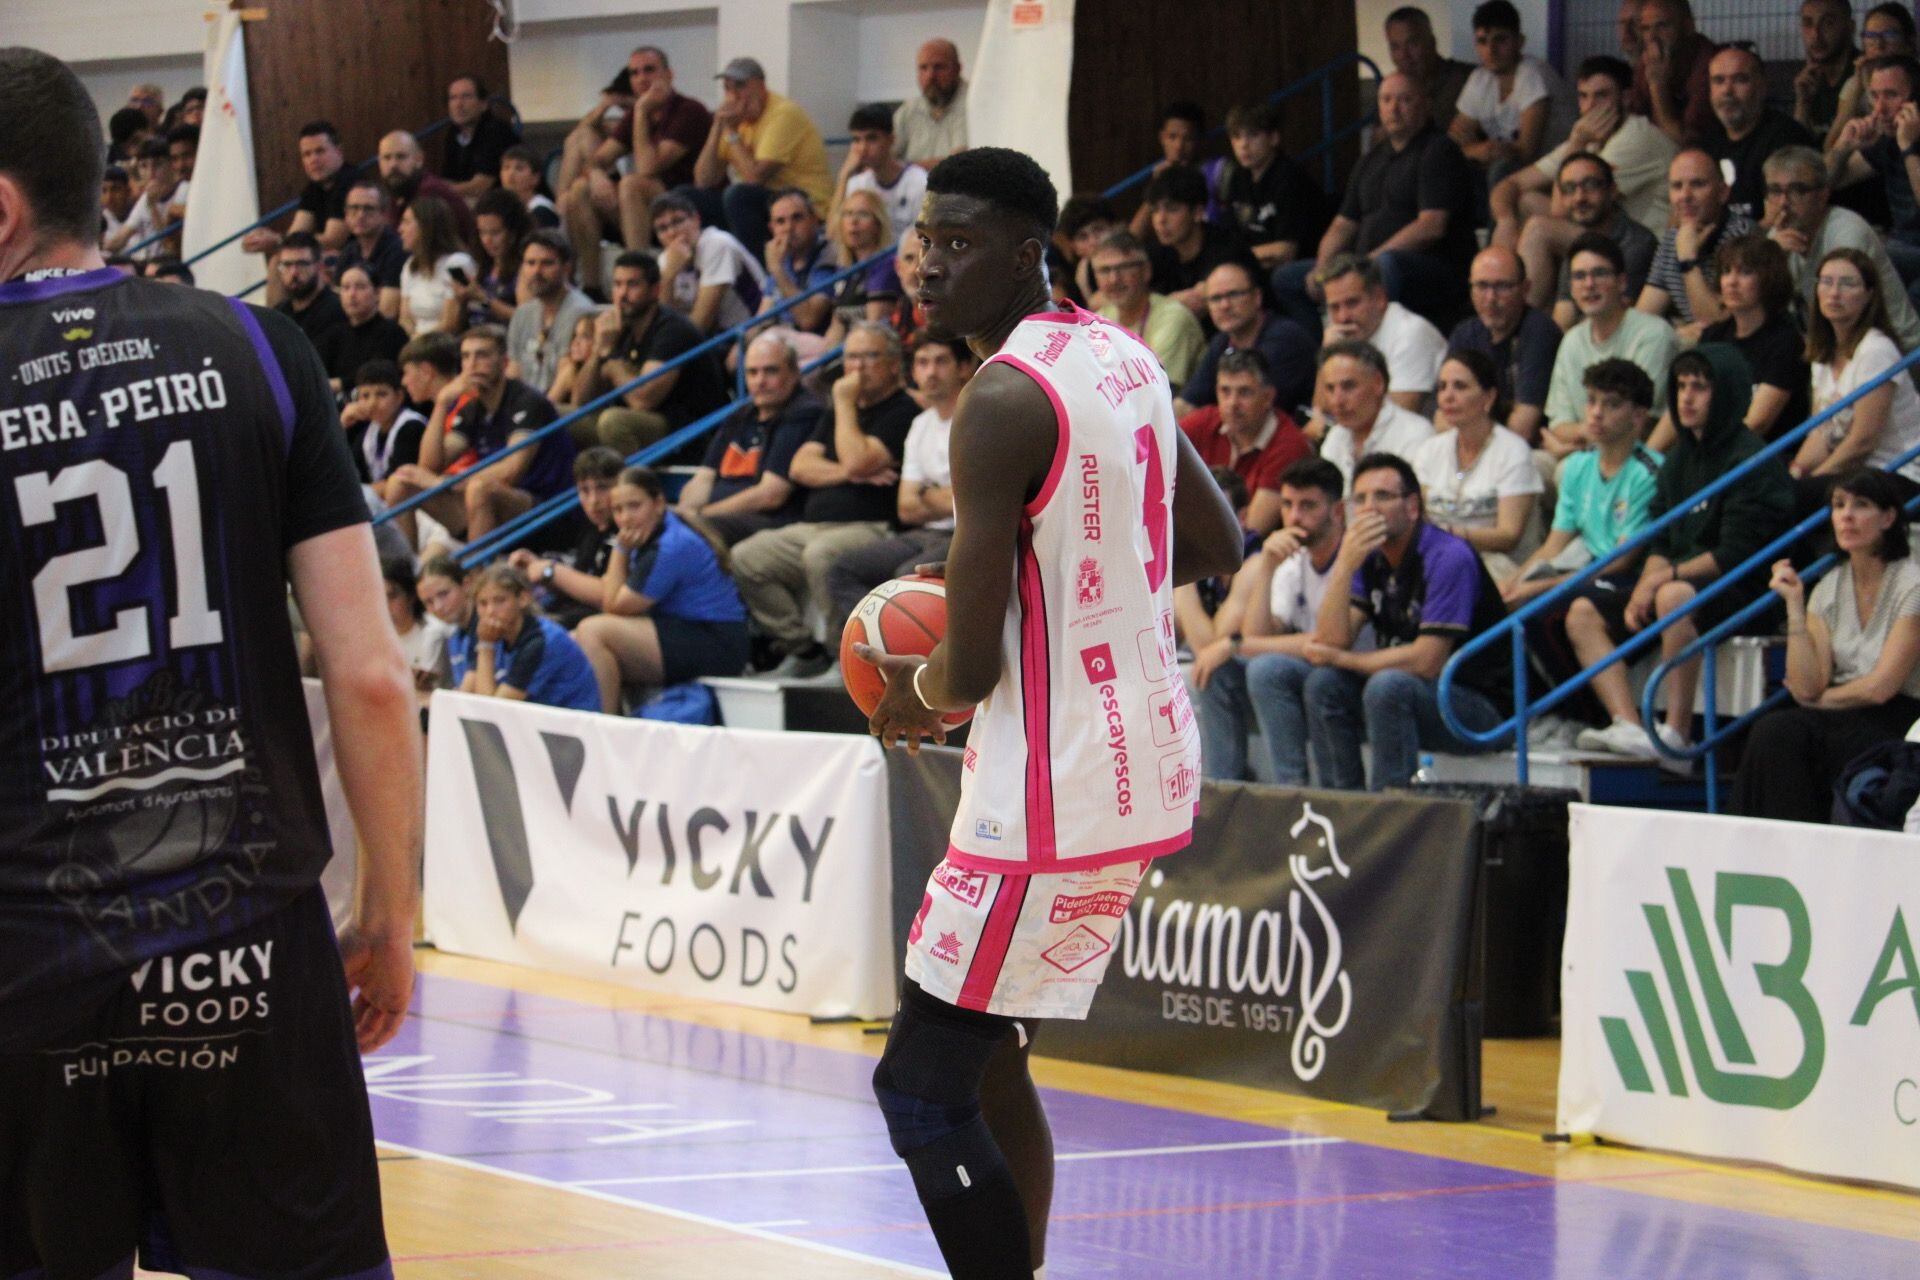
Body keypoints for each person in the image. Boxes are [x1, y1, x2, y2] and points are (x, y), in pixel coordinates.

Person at [0, 46, 416, 1276]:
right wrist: (388, 909)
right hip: (246, 945)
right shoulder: (261, 344)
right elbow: (373, 674)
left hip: (23, 951)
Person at [855, 147, 1241, 1280]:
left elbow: (965, 674)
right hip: (1146, 760)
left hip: (1046, 793)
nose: (927, 262)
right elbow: (1212, 542)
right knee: (991, 1059)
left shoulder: (1003, 398)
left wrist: (901, 697)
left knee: (919, 1089)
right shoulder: (1119, 356)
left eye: (960, 242)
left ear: (1030, 252)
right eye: (924, 236)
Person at [1573, 346, 1795, 758]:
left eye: (1700, 387)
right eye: (1680, 387)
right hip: (1678, 581)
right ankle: (1629, 724)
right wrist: (1645, 583)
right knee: (1583, 612)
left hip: (1742, 587)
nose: (1686, 398)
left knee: (1671, 596)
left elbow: (1736, 554)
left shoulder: (1752, 460)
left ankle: (1676, 735)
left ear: (1725, 392)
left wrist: (1660, 579)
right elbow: (1662, 536)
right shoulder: (1679, 458)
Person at [1305, 452, 1512, 789]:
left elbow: (1427, 661)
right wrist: (1343, 564)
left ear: (1412, 507)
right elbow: (1330, 641)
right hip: (1418, 693)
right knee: (1323, 684)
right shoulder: (1367, 557)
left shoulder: (1449, 556)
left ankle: (1390, 817)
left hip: (1481, 708)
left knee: (1387, 687)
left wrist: (1345, 659)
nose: (1369, 508)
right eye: (1360, 499)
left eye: (1383, 496)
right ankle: (1342, 809)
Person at [732, 321, 919, 678]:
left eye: (869, 356)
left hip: (873, 527)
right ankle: (802, 648)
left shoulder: (903, 411)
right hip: (814, 524)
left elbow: (855, 458)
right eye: (850, 358)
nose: (857, 367)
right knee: (748, 557)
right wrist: (852, 470)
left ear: (895, 363)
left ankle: (842, 659)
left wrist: (845, 404)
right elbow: (799, 467)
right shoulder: (836, 412)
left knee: (821, 556)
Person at [1732, 468, 1920, 823]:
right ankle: (1773, 845)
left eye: (1860, 505)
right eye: (1838, 505)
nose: (1846, 515)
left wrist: (1818, 702)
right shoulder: (1827, 587)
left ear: (1889, 517)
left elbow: (1882, 687)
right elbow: (1806, 683)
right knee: (1772, 730)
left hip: (1899, 717)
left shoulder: (1913, 585)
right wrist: (1794, 605)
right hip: (1844, 712)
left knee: (1784, 732)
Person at [1192, 458, 1356, 783]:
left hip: (1350, 670)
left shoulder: (1354, 555)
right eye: (1287, 505)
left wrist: (1233, 643)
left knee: (1268, 670)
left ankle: (1289, 789)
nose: (1294, 517)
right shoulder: (1293, 560)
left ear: (1337, 511)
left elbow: (1326, 641)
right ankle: (1226, 788)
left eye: (1307, 505)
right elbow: (1259, 634)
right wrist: (1267, 565)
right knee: (1219, 671)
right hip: (1309, 667)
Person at [1274, 73, 1476, 335]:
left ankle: (1373, 348)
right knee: (1287, 279)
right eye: (1386, 100)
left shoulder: (1439, 151)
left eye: (1404, 100)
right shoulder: (1370, 160)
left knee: (1387, 267)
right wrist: (1323, 267)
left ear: (1425, 104)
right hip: (1369, 262)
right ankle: (1320, 354)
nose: (1394, 108)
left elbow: (1431, 227)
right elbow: (1342, 225)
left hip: (1429, 267)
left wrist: (1369, 263)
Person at [822, 337, 975, 627]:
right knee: (842, 569)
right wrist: (942, 497)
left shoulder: (976, 417)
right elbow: (906, 507)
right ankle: (868, 649)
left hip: (965, 533)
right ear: (912, 372)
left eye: (941, 361)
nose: (930, 372)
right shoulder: (921, 424)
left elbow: (973, 502)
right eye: (922, 363)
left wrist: (927, 495)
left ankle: (913, 657)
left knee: (907, 576)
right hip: (923, 531)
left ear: (964, 368)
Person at [573, 466, 751, 709]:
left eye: (634, 506)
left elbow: (614, 605)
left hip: (716, 641)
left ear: (658, 503)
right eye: (618, 510)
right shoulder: (653, 533)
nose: (625, 518)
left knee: (593, 631)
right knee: (573, 640)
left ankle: (605, 726)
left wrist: (620, 550)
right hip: (682, 628)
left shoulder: (670, 546)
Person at [385, 325, 574, 544]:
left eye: (482, 355)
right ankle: (405, 572)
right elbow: (430, 465)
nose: (472, 364)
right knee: (402, 481)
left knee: (479, 488)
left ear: (504, 363)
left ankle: (477, 574)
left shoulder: (528, 402)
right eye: (466, 357)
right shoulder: (473, 407)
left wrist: (442, 483)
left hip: (548, 510)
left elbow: (511, 471)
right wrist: (442, 404)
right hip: (494, 505)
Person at [1502, 358, 1664, 608]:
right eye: (1591, 401)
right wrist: (1513, 583)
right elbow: (1553, 545)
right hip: (1584, 568)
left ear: (1639, 416)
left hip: (1626, 580)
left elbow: (1620, 561)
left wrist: (1539, 588)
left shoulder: (1648, 473)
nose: (1596, 413)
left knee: (1550, 605)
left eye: (1612, 404)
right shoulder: (1577, 466)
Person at [561, 47, 711, 287]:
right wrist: (597, 174)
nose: (642, 78)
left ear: (669, 75)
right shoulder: (634, 116)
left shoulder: (688, 110)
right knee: (581, 188)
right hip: (646, 210)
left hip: (688, 204)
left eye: (649, 70)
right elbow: (597, 160)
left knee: (632, 183)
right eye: (635, 73)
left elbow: (647, 168)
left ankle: (639, 275)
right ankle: (591, 287)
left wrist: (641, 110)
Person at [1492, 55, 1676, 247]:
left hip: (1647, 248)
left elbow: (1561, 211)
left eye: (1601, 96)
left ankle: (1515, 277)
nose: (1589, 106)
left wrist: (1577, 143)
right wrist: (1506, 221)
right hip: (1610, 236)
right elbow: (1509, 184)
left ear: (1625, 98)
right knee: (1525, 202)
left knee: (1539, 230)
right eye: (1583, 96)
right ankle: (1498, 273)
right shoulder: (1589, 136)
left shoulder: (1636, 137)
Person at [1790, 246, 1920, 498]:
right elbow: (1823, 434)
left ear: (1869, 295)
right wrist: (1796, 472)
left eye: (1847, 284)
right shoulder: (1822, 356)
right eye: (1826, 282)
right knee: (1771, 488)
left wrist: (1812, 482)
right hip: (1857, 474)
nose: (1834, 293)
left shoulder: (1876, 350)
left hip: (1900, 472)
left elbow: (1863, 441)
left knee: (1796, 499)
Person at [1764, 144, 1920, 349]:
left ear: (1823, 194)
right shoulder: (1778, 237)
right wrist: (1772, 259)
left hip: (1894, 353)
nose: (1784, 202)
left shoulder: (1847, 233)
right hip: (1834, 349)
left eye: (1798, 190)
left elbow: (1847, 318)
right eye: (1776, 191)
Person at [574, 249, 728, 455]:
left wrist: (611, 361)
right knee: (555, 416)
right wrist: (598, 351)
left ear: (655, 290)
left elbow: (642, 400)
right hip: (643, 419)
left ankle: (632, 485)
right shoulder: (618, 328)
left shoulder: (672, 329)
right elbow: (581, 401)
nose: (622, 294)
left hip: (686, 429)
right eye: (617, 284)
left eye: (632, 284)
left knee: (613, 421)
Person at [1542, 232, 1680, 461]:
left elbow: (1639, 422)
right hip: (1585, 453)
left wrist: (1577, 441)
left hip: (1639, 455)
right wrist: (1585, 436)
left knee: (1566, 470)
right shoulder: (1571, 341)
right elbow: (1558, 424)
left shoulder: (1653, 334)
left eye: (1599, 273)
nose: (1589, 284)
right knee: (1536, 464)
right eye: (1579, 276)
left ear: (1622, 282)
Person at [678, 333, 822, 544]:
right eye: (752, 373)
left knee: (691, 534)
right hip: (721, 516)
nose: (760, 381)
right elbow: (704, 477)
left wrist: (702, 516)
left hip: (771, 520)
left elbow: (771, 495)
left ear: (794, 373)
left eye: (770, 371)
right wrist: (685, 513)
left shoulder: (804, 412)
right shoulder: (741, 414)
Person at [1411, 348, 1544, 578]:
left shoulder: (1513, 451)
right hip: (1438, 555)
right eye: (1442, 387)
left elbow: (1508, 536)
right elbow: (1416, 514)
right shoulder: (1430, 450)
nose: (1447, 396)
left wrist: (1448, 534)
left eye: (1460, 386)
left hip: (1498, 567)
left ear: (1489, 397)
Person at [689, 57, 833, 262]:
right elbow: (703, 180)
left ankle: (758, 271)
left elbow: (755, 177)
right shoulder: (736, 121)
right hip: (765, 205)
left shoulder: (783, 113)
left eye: (740, 86)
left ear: (760, 85)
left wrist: (730, 131)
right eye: (727, 89)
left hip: (804, 204)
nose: (733, 95)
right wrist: (717, 127)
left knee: (739, 195)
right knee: (687, 196)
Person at [1686, 233, 1809, 443]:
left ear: (1769, 279)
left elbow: (1756, 424)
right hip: (1710, 448)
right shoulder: (1713, 335)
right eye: (1726, 272)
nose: (1731, 282)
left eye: (1745, 272)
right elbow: (1685, 405)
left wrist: (1703, 458)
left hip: (1760, 459)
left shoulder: (1785, 342)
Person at [1179, 350, 1312, 536]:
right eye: (1225, 391)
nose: (1232, 403)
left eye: (1245, 392)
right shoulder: (1203, 422)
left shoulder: (1288, 445)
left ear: (1267, 397)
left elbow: (1247, 531)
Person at [1519, 151, 1657, 326]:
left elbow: (1614, 319)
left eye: (1590, 185)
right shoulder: (1581, 245)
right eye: (1570, 189)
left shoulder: (1637, 243)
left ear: (1612, 190)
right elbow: (1564, 316)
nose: (1579, 197)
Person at [1449, 0, 1574, 182]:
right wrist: (1479, 150)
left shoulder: (1533, 74)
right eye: (1482, 41)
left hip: (1555, 169)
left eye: (1500, 39)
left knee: (1501, 168)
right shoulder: (1479, 78)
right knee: (1446, 162)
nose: (1491, 50)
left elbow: (1526, 152)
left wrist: (1476, 149)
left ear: (1519, 41)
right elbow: (1453, 140)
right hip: (1505, 166)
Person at [1449, 245, 1563, 443]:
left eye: (1502, 286)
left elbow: (1523, 428)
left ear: (1525, 289)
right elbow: (1442, 418)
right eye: (1482, 286)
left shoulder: (1539, 332)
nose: (1491, 298)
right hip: (1474, 445)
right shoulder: (1464, 334)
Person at [1827, 53, 1920, 295]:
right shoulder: (1886, 138)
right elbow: (1824, 184)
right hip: (1902, 246)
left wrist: (1909, 148)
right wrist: (1844, 147)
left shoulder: (1904, 138)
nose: (1879, 109)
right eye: (1875, 96)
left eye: (1891, 95)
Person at [1635, 148, 1751, 341]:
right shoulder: (1673, 239)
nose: (1685, 196)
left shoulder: (1742, 238)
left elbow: (1721, 326)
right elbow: (1640, 322)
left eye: (1697, 184)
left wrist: (1688, 261)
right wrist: (1675, 334)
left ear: (1722, 193)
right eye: (1677, 186)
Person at [1174, 260, 1315, 418]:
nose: (1224, 305)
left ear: (1257, 297)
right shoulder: (1221, 342)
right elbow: (1187, 403)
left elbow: (1253, 411)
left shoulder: (1286, 338)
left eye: (1233, 294)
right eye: (1215, 298)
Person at [509, 446, 625, 630]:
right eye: (585, 490)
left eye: (602, 488)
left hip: (603, 622)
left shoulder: (627, 531)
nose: (594, 500)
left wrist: (551, 571)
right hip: (575, 613)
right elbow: (577, 588)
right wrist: (536, 568)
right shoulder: (590, 528)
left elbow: (607, 595)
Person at [1698, 45, 1815, 229]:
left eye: (1740, 80)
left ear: (1762, 86)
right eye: (1719, 81)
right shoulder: (1705, 145)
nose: (1727, 91)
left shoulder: (1786, 138)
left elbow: (1783, 220)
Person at [1317, 252, 1447, 412]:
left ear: (1379, 298)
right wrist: (1328, 355)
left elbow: (1401, 414)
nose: (1343, 317)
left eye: (1352, 303)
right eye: (1334, 308)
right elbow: (1321, 410)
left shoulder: (1410, 333)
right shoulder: (1343, 336)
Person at [463, 564, 602, 712]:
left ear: (523, 599)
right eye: (483, 604)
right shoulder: (489, 631)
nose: (490, 611)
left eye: (500, 601)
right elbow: (468, 692)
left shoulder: (540, 641)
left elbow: (492, 711)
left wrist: (486, 647)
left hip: (573, 725)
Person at [1141, 165, 1261, 324]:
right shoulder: (1157, 251)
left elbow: (1196, 304)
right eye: (1155, 210)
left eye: (1172, 209)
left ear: (1197, 212)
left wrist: (1145, 305)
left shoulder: (1226, 247)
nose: (1160, 220)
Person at [1218, 102, 1328, 269]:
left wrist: (1235, 257)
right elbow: (1229, 237)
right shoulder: (1237, 177)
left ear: (1274, 138)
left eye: (1253, 135)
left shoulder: (1290, 179)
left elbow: (1285, 251)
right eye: (1236, 137)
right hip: (1251, 266)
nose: (1243, 145)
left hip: (1300, 266)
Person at [1314, 339, 1436, 487]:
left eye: (1348, 386)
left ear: (1378, 383)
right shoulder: (1335, 437)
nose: (1337, 401)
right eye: (1330, 389)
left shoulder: (1415, 435)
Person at [1091, 230, 1204, 387]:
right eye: (1104, 270)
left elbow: (1157, 388)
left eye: (1124, 267)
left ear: (1146, 271)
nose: (1113, 279)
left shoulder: (1173, 317)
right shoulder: (1096, 322)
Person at [241, 121, 350, 271]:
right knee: (278, 262)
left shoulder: (350, 183)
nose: (313, 160)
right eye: (307, 154)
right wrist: (263, 238)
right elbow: (297, 234)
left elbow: (332, 240)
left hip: (351, 260)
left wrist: (277, 240)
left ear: (338, 152)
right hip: (327, 259)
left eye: (320, 151)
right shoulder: (313, 188)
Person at [505, 228, 597, 394]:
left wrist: (538, 415)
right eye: (530, 263)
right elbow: (514, 371)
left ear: (567, 268)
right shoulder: (522, 314)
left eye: (547, 263)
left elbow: (567, 377)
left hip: (558, 410)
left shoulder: (581, 312)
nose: (536, 272)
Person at [1825, 3, 1917, 151]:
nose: (1879, 45)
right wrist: (1858, 87)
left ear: (1909, 42)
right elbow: (1831, 147)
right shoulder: (1854, 83)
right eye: (1871, 36)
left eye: (1890, 35)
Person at [833, 103, 928, 241]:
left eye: (871, 138)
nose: (863, 148)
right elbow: (834, 236)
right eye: (857, 140)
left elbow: (925, 240)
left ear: (891, 140)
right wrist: (844, 176)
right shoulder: (857, 184)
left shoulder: (919, 183)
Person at [1629, 0, 1715, 145]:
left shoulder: (1708, 63)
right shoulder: (1648, 60)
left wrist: (1657, 85)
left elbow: (1682, 141)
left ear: (1688, 27)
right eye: (1645, 28)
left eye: (1662, 26)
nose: (1652, 37)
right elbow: (1634, 122)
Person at [757, 188, 838, 344]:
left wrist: (777, 270)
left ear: (814, 219)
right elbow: (762, 319)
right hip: (779, 341)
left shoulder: (828, 254)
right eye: (780, 222)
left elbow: (808, 320)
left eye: (797, 218)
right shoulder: (781, 258)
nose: (789, 227)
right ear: (772, 229)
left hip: (814, 346)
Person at [378, 129, 477, 247]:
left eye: (401, 157)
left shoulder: (430, 192)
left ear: (419, 160)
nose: (393, 164)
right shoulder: (397, 191)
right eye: (387, 158)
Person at [340, 358, 427, 491]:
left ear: (399, 396)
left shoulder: (411, 426)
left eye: (381, 394)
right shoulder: (368, 431)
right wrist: (342, 426)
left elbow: (397, 484)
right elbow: (345, 473)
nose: (372, 403)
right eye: (365, 396)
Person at [396, 196, 475, 337]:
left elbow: (451, 324)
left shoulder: (458, 263)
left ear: (426, 226)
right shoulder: (410, 266)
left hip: (445, 344)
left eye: (406, 222)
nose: (400, 229)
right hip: (415, 343)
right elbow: (405, 319)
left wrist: (418, 343)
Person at [1385, 5, 1476, 126]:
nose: (1404, 55)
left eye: (1412, 43)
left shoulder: (1468, 80)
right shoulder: (1391, 89)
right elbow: (1376, 140)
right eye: (1395, 47)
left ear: (1432, 42)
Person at [334, 178, 406, 319]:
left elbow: (387, 312)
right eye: (354, 208)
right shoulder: (349, 250)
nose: (360, 215)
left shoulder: (397, 250)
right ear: (346, 215)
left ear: (385, 215)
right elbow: (338, 301)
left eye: (368, 209)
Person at [442, 74, 521, 202]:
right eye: (453, 98)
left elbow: (481, 186)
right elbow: (448, 177)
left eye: (466, 97)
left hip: (505, 203)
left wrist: (438, 190)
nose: (459, 104)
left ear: (483, 104)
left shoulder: (496, 131)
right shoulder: (453, 132)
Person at [382, 555, 453, 698]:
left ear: (411, 596)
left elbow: (425, 689)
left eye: (392, 596)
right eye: (380, 597)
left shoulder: (434, 632)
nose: (386, 606)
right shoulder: (374, 637)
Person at [461, 187, 531, 330]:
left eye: (495, 232)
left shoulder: (526, 269)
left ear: (513, 232)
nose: (487, 240)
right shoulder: (484, 266)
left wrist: (485, 299)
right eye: (482, 232)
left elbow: (527, 317)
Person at [271, 231, 348, 356]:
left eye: (302, 264)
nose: (294, 273)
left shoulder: (336, 309)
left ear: (319, 266)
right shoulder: (279, 313)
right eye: (287, 265)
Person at [893, 38, 969, 165]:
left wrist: (905, 170)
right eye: (923, 68)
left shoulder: (972, 105)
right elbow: (884, 156)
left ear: (957, 69)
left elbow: (959, 164)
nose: (930, 76)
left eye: (939, 67)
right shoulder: (908, 111)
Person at [1795, 0, 1859, 138]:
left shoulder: (1864, 74)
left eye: (1828, 23)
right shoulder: (1808, 79)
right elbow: (1797, 147)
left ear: (1850, 27)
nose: (1816, 34)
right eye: (1808, 23)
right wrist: (1802, 104)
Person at [418, 555, 479, 687]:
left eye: (444, 594)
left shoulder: (483, 628)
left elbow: (468, 695)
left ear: (466, 585)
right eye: (429, 602)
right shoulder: (454, 637)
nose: (438, 607)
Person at [500, 144, 560, 229]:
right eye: (506, 167)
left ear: (535, 178)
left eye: (519, 168)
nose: (511, 174)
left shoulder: (541, 212)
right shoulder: (505, 209)